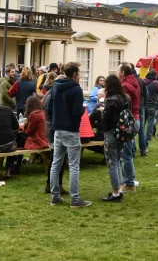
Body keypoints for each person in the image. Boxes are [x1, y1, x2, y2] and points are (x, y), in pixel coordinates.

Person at [47, 62, 92, 208]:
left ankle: (55, 196)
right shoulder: (76, 89)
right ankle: (75, 199)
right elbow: (76, 111)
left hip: (57, 129)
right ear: (74, 75)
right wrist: (82, 110)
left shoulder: (55, 86)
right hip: (71, 129)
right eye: (78, 74)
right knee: (73, 165)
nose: (79, 76)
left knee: (56, 163)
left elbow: (49, 106)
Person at [101, 74, 128, 202]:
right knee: (117, 160)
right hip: (122, 133)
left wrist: (102, 113)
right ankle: (119, 189)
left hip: (111, 132)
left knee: (112, 162)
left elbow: (106, 119)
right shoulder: (125, 98)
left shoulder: (110, 100)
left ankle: (116, 191)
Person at [117, 62, 140, 192]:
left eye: (118, 70)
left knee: (125, 154)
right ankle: (128, 180)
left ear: (123, 73)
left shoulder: (125, 86)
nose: (116, 73)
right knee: (128, 152)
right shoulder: (135, 83)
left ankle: (129, 183)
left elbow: (124, 106)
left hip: (128, 121)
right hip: (135, 118)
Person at [43, 76, 66, 195]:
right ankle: (54, 185)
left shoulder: (49, 93)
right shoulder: (54, 95)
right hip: (54, 128)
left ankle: (52, 184)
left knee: (56, 158)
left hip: (50, 127)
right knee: (57, 159)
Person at [130, 63, 148, 157]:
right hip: (141, 106)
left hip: (133, 107)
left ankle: (132, 151)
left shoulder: (130, 81)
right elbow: (145, 94)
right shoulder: (141, 80)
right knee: (141, 129)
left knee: (131, 129)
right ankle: (143, 150)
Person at [144, 69, 158, 142]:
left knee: (143, 122)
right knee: (150, 121)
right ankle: (149, 137)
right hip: (152, 104)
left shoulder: (143, 81)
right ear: (155, 75)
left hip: (144, 103)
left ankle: (141, 136)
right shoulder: (156, 82)